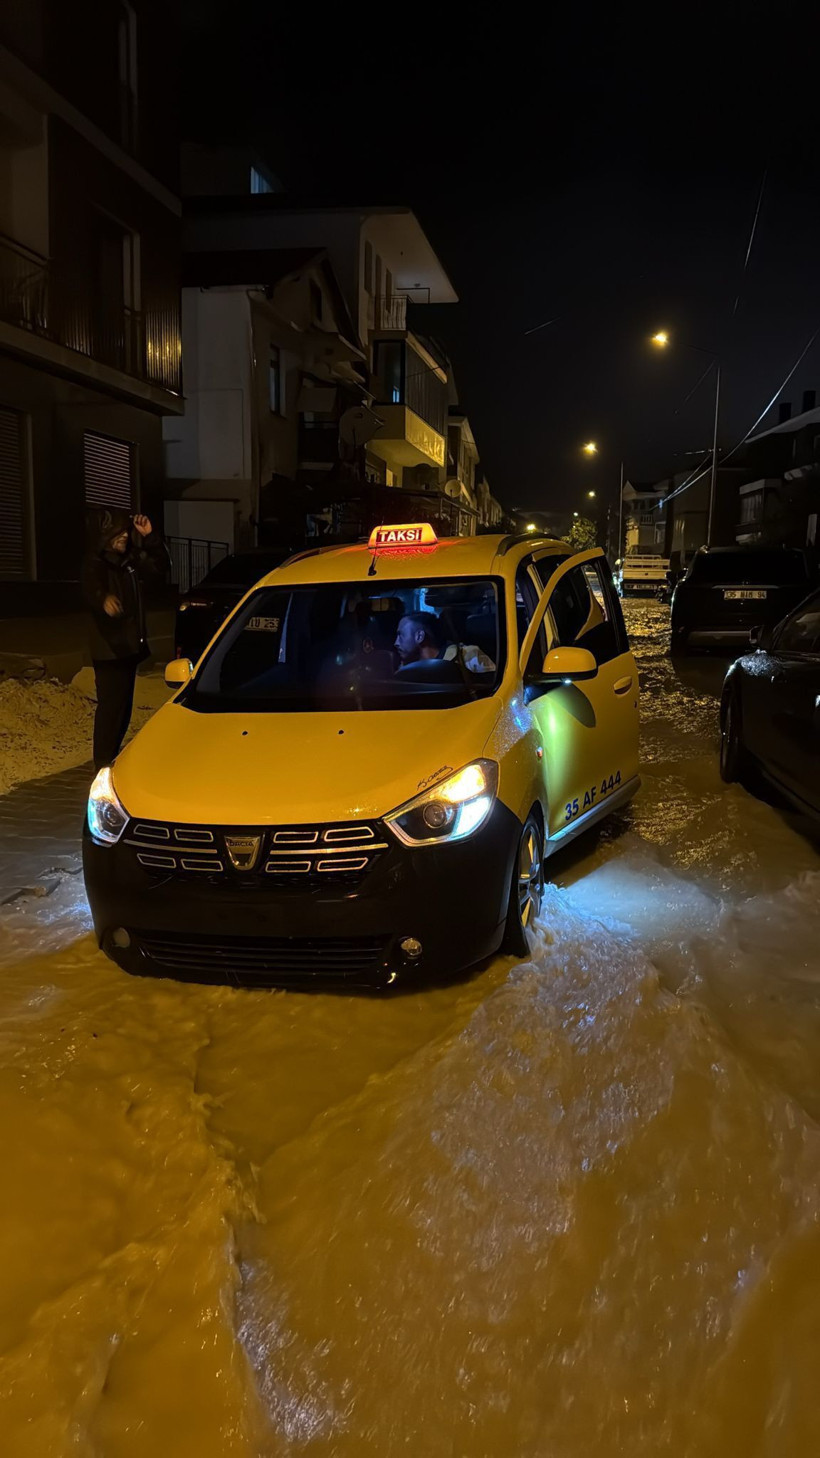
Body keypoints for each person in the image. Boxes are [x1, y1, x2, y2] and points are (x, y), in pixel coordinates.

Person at [81, 508, 169, 769]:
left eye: (125, 532)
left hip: (128, 647)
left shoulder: (130, 560)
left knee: (123, 710)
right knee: (110, 710)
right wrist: (103, 599)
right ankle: (102, 766)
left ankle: (111, 761)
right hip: (108, 648)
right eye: (117, 532)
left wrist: (151, 538)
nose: (123, 536)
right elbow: (91, 586)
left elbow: (161, 568)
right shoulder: (95, 561)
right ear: (104, 535)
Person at [394, 611, 496, 673]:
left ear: (420, 636)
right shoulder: (405, 669)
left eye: (400, 635)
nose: (396, 643)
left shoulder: (467, 656)